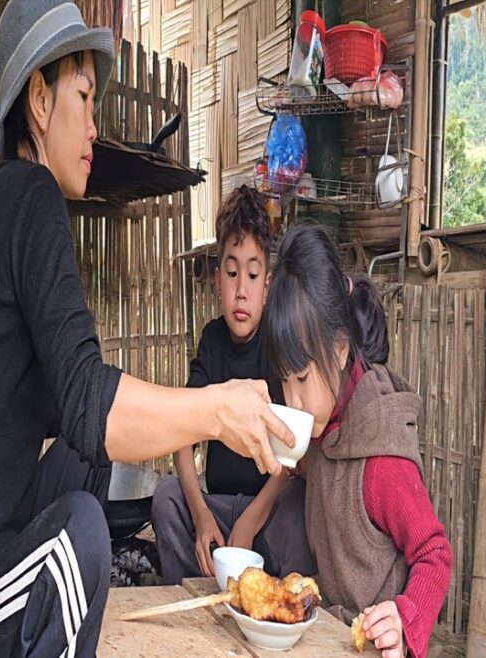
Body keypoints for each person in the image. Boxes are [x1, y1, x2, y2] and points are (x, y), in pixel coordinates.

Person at [0, 3, 292, 656]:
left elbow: (84, 402)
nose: (95, 125)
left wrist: (201, 410)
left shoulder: (15, 203)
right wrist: (217, 410)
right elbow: (96, 403)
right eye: (85, 98)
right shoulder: (27, 194)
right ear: (39, 99)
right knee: (83, 534)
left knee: (83, 456)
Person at [264, 224, 452, 658]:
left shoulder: (382, 463)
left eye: (302, 378)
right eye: (283, 381)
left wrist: (405, 618)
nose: (292, 399)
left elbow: (435, 553)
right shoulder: (328, 422)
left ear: (342, 350)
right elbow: (322, 472)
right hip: (331, 630)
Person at [151, 185, 314, 584]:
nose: (242, 289)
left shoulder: (278, 346)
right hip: (219, 508)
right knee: (166, 496)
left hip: (268, 508)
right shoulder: (211, 341)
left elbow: (289, 456)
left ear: (268, 284)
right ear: (217, 282)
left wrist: (251, 525)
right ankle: (192, 593)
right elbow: (181, 437)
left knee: (300, 505)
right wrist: (202, 514)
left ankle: (280, 599)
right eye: (232, 272)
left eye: (253, 274)